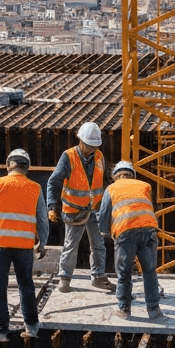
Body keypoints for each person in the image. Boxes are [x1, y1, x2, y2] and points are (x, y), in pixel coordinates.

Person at [0, 148, 49, 341]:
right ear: (27, 168)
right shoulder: (35, 188)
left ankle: (1, 329)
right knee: (26, 285)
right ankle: (31, 327)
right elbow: (42, 219)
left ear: (8, 165)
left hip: (0, 245)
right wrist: (43, 242)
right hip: (24, 246)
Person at [46, 122, 115, 293]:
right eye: (89, 146)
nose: (91, 149)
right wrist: (52, 206)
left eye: (94, 146)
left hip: (95, 209)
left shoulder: (99, 156)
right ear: (81, 141)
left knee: (99, 244)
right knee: (71, 245)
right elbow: (53, 182)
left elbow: (104, 181)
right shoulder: (68, 157)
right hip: (75, 210)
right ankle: (64, 278)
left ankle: (98, 276)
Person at [97, 161, 164, 320]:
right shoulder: (145, 186)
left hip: (125, 230)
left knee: (124, 272)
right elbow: (146, 207)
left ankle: (124, 309)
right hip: (149, 230)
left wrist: (103, 232)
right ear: (132, 174)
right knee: (149, 271)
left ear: (116, 176)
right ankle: (154, 311)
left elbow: (104, 214)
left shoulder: (111, 188)